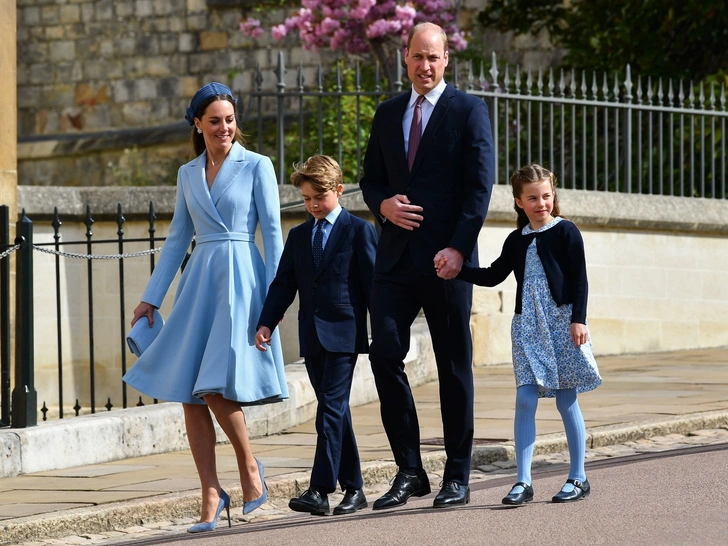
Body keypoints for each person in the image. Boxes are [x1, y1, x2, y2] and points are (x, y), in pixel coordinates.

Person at [123, 82, 288, 533]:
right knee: (189, 393)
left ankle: (250, 470)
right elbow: (178, 239)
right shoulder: (187, 173)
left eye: (230, 120)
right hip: (199, 285)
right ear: (197, 124)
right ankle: (211, 494)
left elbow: (272, 235)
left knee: (214, 388)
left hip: (241, 282)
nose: (224, 128)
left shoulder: (258, 165)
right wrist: (151, 297)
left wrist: (276, 299)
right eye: (214, 121)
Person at [358, 22, 495, 509]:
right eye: (417, 57)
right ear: (406, 57)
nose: (424, 66)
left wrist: (459, 248)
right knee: (384, 355)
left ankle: (457, 476)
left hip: (447, 263)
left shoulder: (469, 110)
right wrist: (383, 206)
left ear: (446, 59)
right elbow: (369, 180)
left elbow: (479, 190)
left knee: (453, 366)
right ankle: (410, 471)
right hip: (393, 260)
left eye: (433, 58)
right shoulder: (389, 112)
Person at [436, 163, 602, 505]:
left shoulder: (567, 231)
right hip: (526, 325)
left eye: (546, 195)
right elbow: (494, 275)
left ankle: (578, 477)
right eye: (532, 198)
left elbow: (580, 279)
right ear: (518, 202)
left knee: (565, 398)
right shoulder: (516, 240)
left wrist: (579, 320)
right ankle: (523, 481)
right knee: (525, 398)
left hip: (561, 322)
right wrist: (457, 270)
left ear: (553, 195)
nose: (541, 203)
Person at [255, 155, 377, 516]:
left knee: (329, 409)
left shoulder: (359, 230)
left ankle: (320, 489)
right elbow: (284, 284)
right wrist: (266, 322)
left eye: (319, 198)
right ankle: (354, 489)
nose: (312, 205)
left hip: (345, 334)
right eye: (307, 199)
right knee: (336, 412)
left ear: (338, 190)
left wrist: (385, 331)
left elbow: (373, 286)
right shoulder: (298, 236)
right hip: (312, 335)